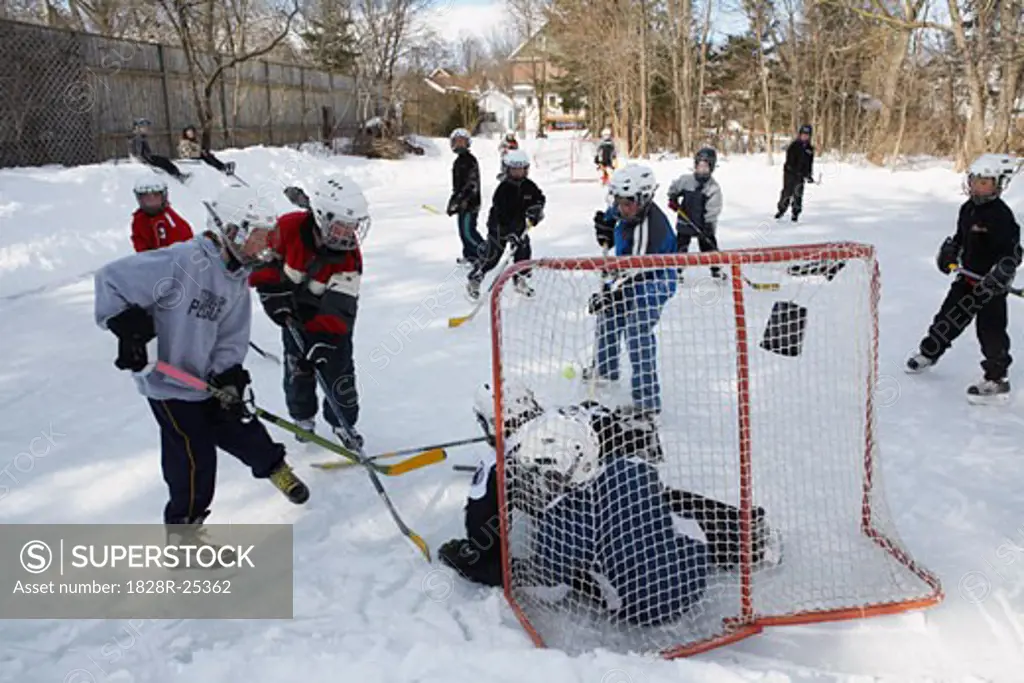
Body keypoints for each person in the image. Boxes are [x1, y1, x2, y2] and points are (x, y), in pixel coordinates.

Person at [438, 386, 778, 626]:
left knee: (579, 553)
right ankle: (745, 537)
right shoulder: (572, 417)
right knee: (662, 504)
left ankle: (624, 569)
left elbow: (483, 530)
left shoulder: (499, 463)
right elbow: (624, 431)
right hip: (618, 486)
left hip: (582, 524)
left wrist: (471, 560)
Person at [93, 186, 310, 546]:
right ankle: (184, 537)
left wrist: (228, 375)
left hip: (204, 380)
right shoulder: (183, 261)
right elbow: (110, 280)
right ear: (232, 231)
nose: (265, 245)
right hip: (168, 384)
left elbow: (230, 337)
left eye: (266, 237)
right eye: (258, 236)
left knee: (241, 424)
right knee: (194, 461)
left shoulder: (237, 278)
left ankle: (275, 468)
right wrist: (128, 328)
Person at [249, 177, 369, 451]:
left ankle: (343, 423)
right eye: (342, 225)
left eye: (353, 226)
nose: (348, 233)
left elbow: (342, 305)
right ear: (321, 217)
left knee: (339, 373)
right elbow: (262, 260)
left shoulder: (349, 256)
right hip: (292, 316)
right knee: (297, 370)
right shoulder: (289, 227)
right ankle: (303, 417)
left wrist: (325, 340)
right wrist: (271, 292)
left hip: (332, 326)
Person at [905, 153, 1023, 403]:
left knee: (990, 332)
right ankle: (929, 353)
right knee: (947, 319)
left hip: (991, 287)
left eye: (985, 183)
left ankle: (996, 378)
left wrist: (1002, 271)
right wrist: (949, 251)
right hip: (967, 281)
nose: (979, 187)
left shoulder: (1002, 216)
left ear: (997, 185)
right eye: (976, 181)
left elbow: (1013, 251)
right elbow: (960, 238)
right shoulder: (967, 209)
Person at [586, 164, 677, 415]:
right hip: (629, 274)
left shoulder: (650, 230)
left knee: (637, 332)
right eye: (619, 201)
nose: (621, 208)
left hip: (654, 281)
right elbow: (612, 216)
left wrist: (608, 292)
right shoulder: (628, 210)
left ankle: (647, 402)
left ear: (644, 199)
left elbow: (630, 273)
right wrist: (604, 226)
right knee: (610, 316)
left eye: (627, 203)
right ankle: (605, 371)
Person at [466, 149, 545, 302]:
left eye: (521, 169)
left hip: (520, 226)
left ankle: (520, 279)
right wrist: (509, 232)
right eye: (514, 169)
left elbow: (539, 198)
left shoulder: (529, 186)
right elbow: (502, 214)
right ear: (507, 169)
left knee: (523, 251)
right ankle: (476, 278)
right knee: (493, 256)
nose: (518, 173)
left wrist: (537, 209)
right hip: (499, 227)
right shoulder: (503, 190)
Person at [667, 147, 725, 281]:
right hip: (685, 221)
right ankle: (677, 270)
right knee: (680, 247)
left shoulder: (713, 188)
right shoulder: (686, 180)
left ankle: (716, 269)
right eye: (700, 166)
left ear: (711, 168)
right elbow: (674, 188)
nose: (702, 170)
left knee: (708, 248)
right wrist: (673, 198)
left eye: (706, 167)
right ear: (695, 165)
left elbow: (714, 207)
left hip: (703, 225)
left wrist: (708, 224)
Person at [446, 128, 485, 266]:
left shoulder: (470, 161)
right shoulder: (458, 161)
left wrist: (462, 200)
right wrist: (453, 202)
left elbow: (471, 184)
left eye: (462, 142)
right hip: (462, 203)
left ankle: (486, 253)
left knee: (469, 232)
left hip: (470, 204)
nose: (459, 145)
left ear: (467, 143)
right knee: (462, 232)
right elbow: (457, 186)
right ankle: (470, 256)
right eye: (457, 142)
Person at [130, 176, 194, 252]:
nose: (151, 200)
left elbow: (184, 249)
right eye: (146, 197)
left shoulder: (172, 222)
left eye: (156, 195)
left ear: (163, 197)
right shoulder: (139, 220)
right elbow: (140, 245)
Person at [129, 118, 191, 184]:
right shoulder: (138, 139)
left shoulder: (140, 138)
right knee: (164, 162)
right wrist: (146, 162)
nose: (146, 129)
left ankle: (178, 174)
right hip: (146, 159)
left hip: (147, 157)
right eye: (143, 127)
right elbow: (138, 153)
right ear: (138, 128)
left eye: (146, 127)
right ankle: (178, 176)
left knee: (165, 161)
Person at [774, 124, 815, 222]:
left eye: (807, 135)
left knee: (798, 194)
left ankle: (795, 213)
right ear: (800, 135)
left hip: (801, 176)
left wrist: (808, 175)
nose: (805, 136)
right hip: (790, 174)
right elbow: (790, 161)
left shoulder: (809, 148)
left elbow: (809, 163)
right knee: (787, 192)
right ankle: (781, 210)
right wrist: (793, 170)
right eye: (803, 134)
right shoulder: (794, 146)